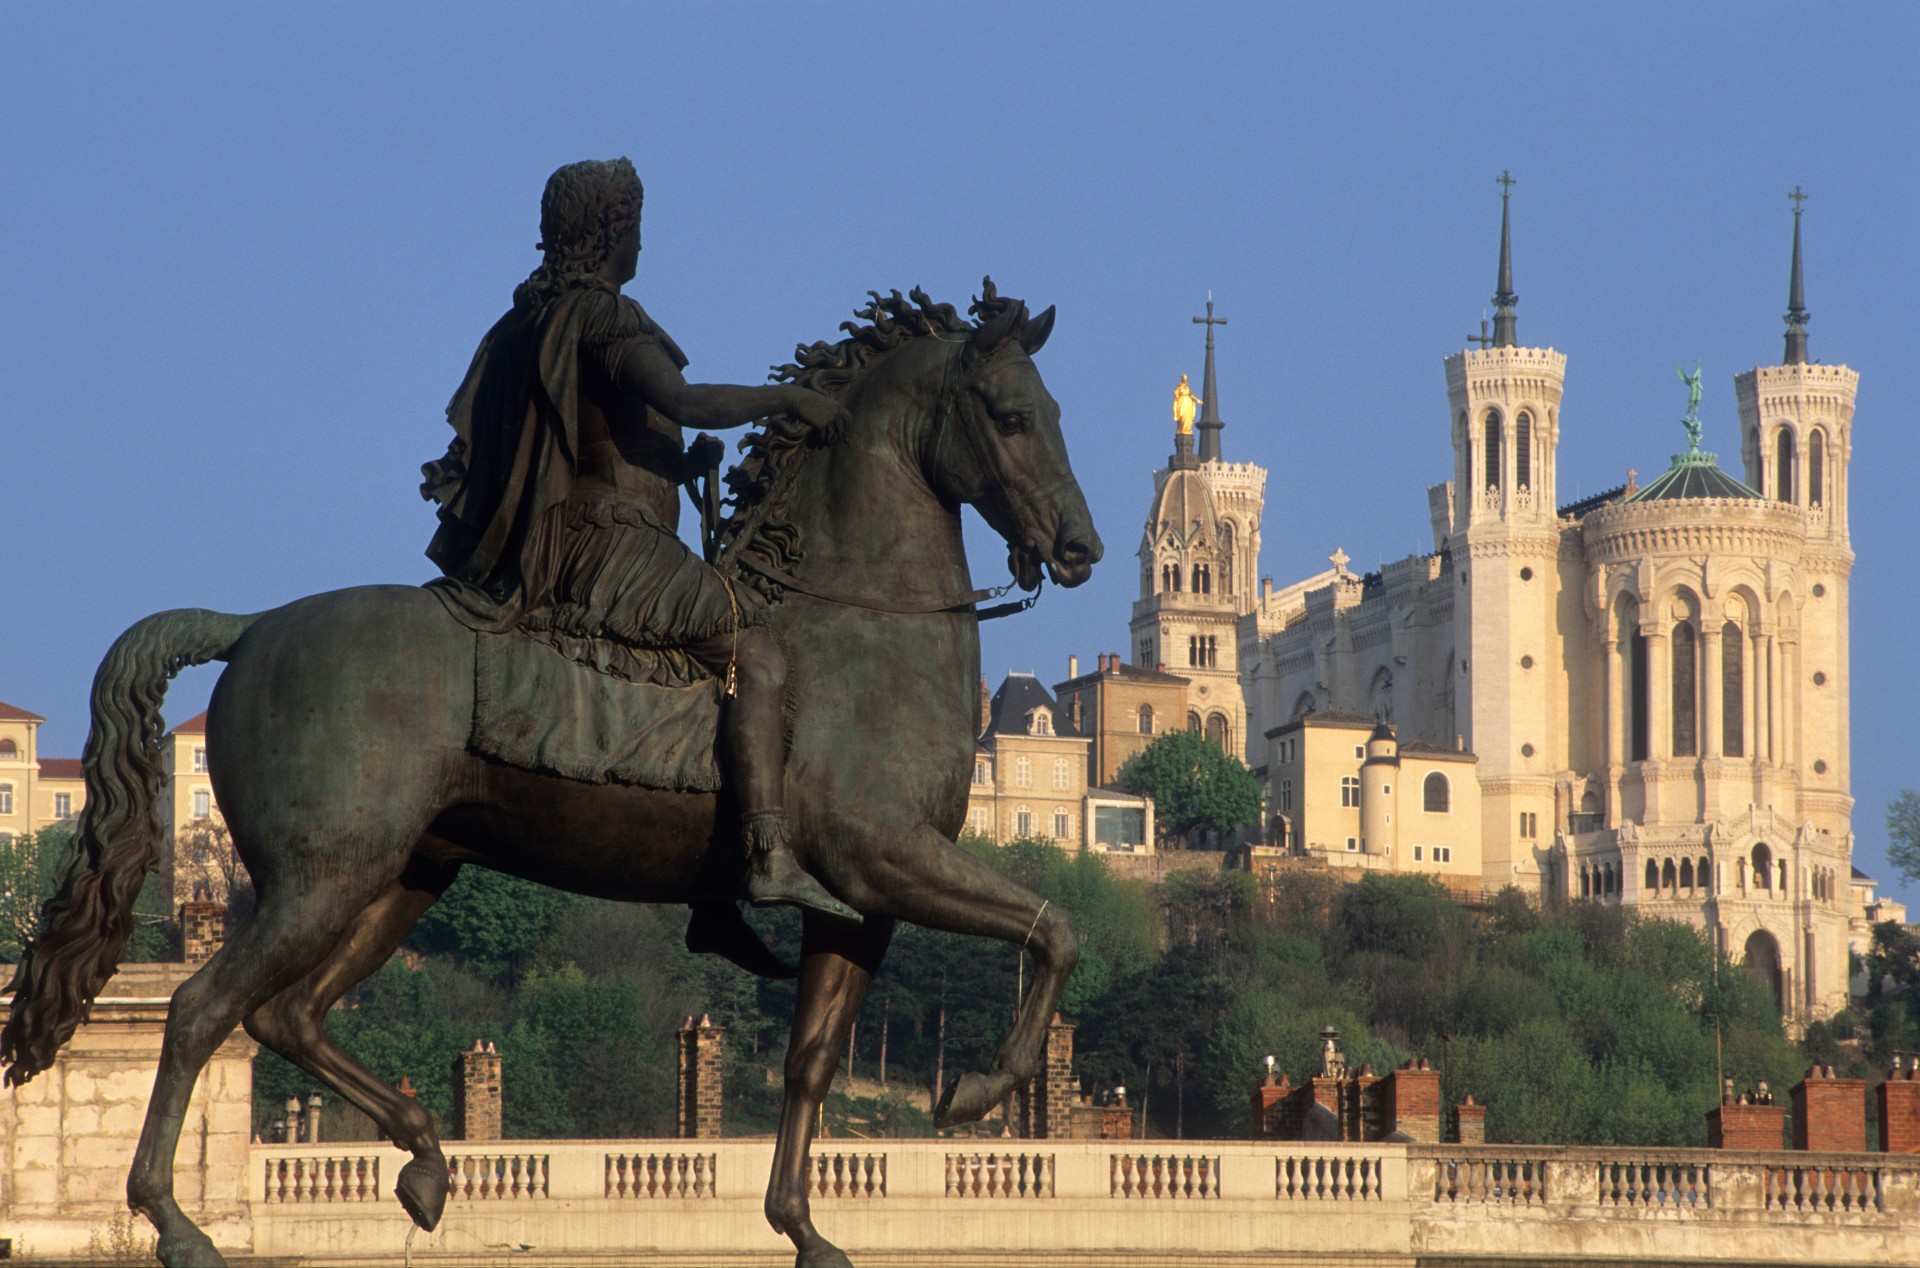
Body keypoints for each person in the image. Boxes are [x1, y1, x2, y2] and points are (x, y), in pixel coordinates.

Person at [420, 157, 855, 926]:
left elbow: (587, 441)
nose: (642, 249)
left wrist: (681, 465)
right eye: (637, 230)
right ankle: (768, 856)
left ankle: (709, 902)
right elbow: (681, 397)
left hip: (557, 542)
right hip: (605, 547)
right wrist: (789, 399)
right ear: (613, 231)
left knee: (700, 664)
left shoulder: (525, 321)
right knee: (755, 651)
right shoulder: (602, 316)